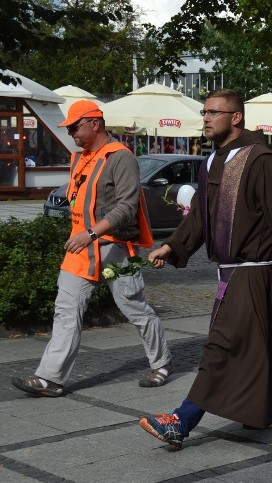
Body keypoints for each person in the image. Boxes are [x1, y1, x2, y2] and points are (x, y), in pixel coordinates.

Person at [138, 89, 272, 449]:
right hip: (228, 272)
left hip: (252, 271)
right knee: (262, 341)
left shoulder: (259, 159)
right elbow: (202, 216)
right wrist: (174, 245)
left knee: (223, 343)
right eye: (204, 112)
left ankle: (182, 419)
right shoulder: (210, 162)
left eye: (214, 112)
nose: (205, 118)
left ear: (236, 118)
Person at [11, 100, 172, 398]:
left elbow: (127, 206)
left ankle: (161, 363)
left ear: (94, 123)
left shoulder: (120, 158)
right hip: (81, 249)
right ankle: (50, 379)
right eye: (69, 128)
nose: (71, 132)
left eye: (75, 126)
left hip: (114, 247)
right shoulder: (80, 158)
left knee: (134, 308)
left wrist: (92, 232)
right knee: (66, 311)